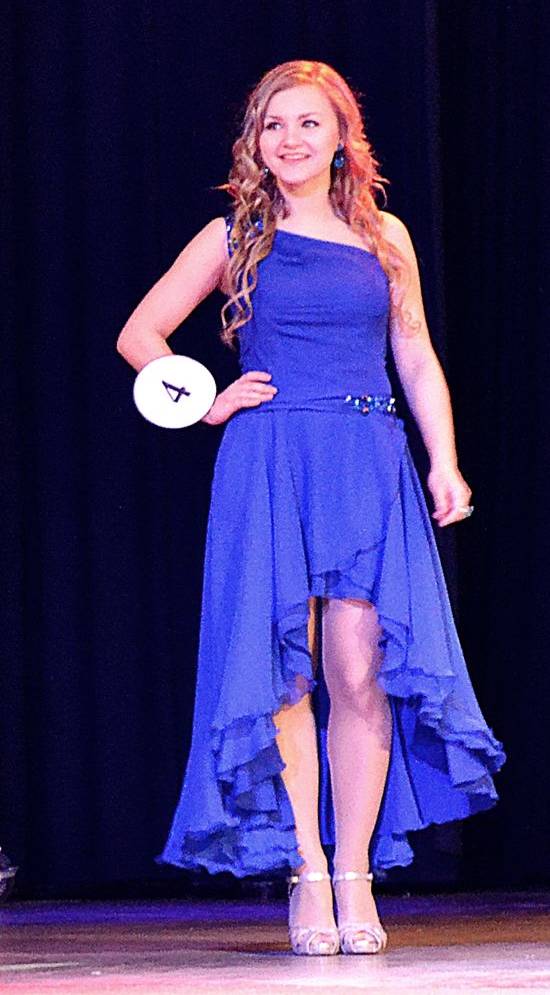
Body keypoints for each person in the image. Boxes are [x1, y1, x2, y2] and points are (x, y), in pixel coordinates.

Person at [117, 60, 505, 957]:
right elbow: (140, 333)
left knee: (359, 673)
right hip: (270, 460)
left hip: (366, 457)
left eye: (308, 123)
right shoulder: (234, 235)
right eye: (273, 125)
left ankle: (357, 873)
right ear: (255, 142)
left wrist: (445, 461)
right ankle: (309, 875)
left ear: (340, 139)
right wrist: (204, 399)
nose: (290, 139)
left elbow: (415, 354)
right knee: (284, 672)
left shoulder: (383, 234)